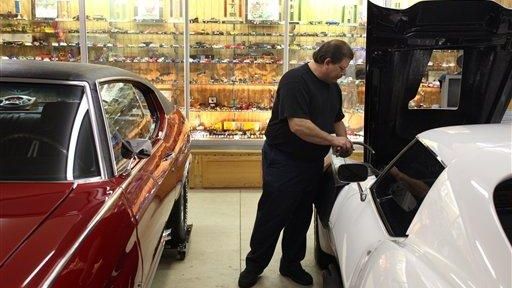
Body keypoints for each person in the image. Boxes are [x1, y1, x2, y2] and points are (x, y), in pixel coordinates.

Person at [238, 40, 354, 288]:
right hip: (284, 160)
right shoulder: (295, 81)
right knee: (273, 214)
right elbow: (298, 125)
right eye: (342, 68)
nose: (343, 74)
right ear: (327, 62)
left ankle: (291, 264)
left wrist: (344, 140)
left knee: (301, 215)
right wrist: (333, 139)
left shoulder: (333, 87)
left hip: (312, 161)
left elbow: (336, 119)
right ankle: (254, 266)